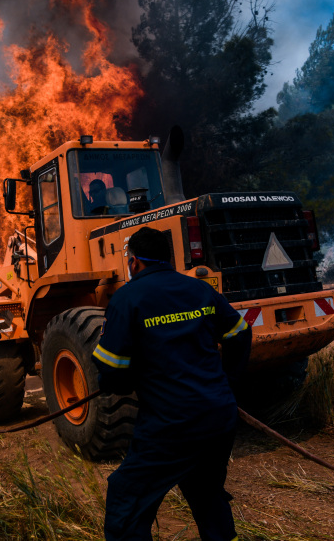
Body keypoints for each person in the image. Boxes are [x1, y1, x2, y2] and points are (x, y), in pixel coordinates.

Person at [92, 227, 251, 541]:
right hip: (218, 417)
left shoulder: (127, 298)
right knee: (206, 492)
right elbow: (240, 333)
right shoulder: (200, 290)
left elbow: (113, 368)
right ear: (167, 257)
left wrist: (113, 383)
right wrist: (228, 385)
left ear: (134, 262)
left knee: (126, 499)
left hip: (171, 424)